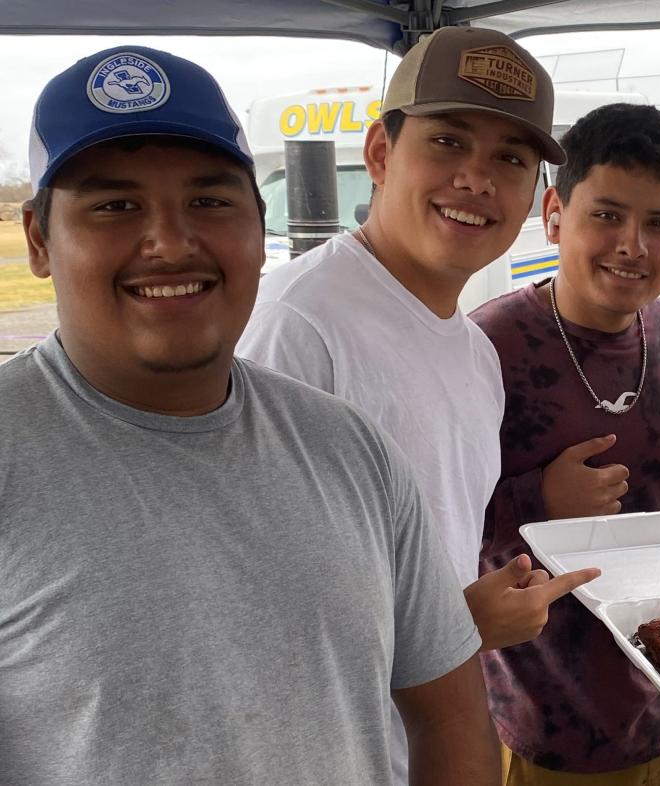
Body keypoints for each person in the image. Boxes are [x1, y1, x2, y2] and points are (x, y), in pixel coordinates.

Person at [1, 45, 497, 784]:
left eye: (209, 201)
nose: (169, 242)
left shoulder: (351, 451)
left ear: (259, 228)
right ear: (40, 238)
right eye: (115, 205)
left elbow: (452, 716)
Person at [235, 27, 598, 782]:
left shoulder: (471, 350)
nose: (477, 179)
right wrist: (463, 626)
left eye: (510, 159)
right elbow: (248, 613)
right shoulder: (297, 326)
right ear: (379, 154)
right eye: (447, 142)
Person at [470, 103, 660, 785]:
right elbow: (425, 529)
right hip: (539, 725)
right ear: (553, 214)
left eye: (658, 222)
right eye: (605, 215)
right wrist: (536, 500)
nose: (633, 244)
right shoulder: (485, 348)